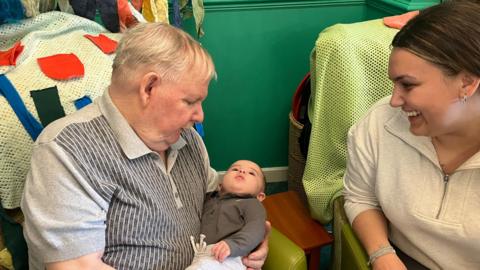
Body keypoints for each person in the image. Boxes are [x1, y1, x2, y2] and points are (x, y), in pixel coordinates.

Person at [21, 23, 268, 270]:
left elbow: (223, 201)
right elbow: (77, 267)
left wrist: (253, 241)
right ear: (149, 88)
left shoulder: (188, 140)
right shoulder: (66, 152)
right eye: (191, 101)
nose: (200, 116)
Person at [343, 1, 480, 270]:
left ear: (467, 83)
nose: (394, 100)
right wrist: (382, 254)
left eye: (408, 84)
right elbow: (360, 197)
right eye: (393, 83)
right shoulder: (380, 122)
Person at [186, 160, 267, 270]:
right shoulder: (210, 198)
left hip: (230, 256)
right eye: (235, 169)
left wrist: (234, 244)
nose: (241, 171)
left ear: (260, 196)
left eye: (251, 173)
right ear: (220, 185)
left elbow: (256, 228)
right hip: (201, 254)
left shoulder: (252, 204)